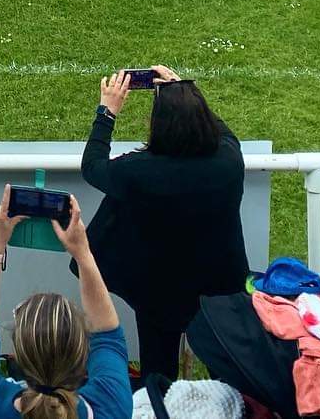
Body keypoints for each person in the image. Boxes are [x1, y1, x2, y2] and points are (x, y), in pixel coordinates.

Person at [80, 66, 248, 382]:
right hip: (222, 290)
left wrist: (108, 111)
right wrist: (184, 92)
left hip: (160, 294)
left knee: (159, 379)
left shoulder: (139, 172)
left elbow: (92, 167)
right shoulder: (228, 160)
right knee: (230, 379)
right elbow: (224, 133)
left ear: (158, 127)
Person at [0, 185, 129, 419]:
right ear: (83, 359)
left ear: (16, 359)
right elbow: (109, 338)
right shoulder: (110, 407)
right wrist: (83, 253)